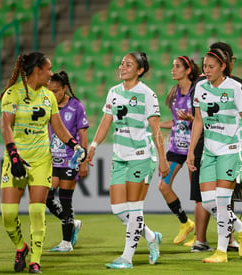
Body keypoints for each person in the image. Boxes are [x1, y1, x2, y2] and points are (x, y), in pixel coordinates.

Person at [0, 52, 87, 273]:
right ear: (37, 71)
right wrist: (14, 156)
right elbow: (6, 127)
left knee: (37, 212)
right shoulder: (13, 94)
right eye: (48, 69)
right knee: (8, 216)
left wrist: (75, 145)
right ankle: (21, 247)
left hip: (41, 162)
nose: (50, 73)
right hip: (16, 161)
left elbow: (58, 127)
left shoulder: (48, 96)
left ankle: (35, 260)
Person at [86, 51, 170, 269]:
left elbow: (155, 130)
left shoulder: (147, 94)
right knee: (118, 210)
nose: (122, 67)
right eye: (122, 63)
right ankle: (152, 237)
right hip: (120, 156)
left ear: (140, 70)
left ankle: (127, 258)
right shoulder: (113, 92)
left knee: (134, 208)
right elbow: (105, 121)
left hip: (141, 157)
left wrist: (162, 158)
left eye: (128, 64)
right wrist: (93, 145)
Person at [186, 48, 242, 263]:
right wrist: (192, 151)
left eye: (211, 67)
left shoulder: (235, 87)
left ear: (223, 67)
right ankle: (241, 227)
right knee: (208, 203)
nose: (207, 70)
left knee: (222, 202)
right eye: (204, 66)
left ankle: (221, 251)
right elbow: (198, 121)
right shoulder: (200, 87)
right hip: (209, 151)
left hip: (231, 150)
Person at [159, 55, 201, 245]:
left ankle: (199, 236)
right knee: (163, 186)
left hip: (194, 147)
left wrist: (192, 120)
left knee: (197, 194)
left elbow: (202, 122)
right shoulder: (174, 93)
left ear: (188, 70)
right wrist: (156, 124)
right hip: (176, 147)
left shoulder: (197, 91)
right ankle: (185, 222)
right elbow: (176, 122)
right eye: (172, 66)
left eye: (177, 66)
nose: (173, 70)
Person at [46, 71, 89, 252]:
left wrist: (84, 161)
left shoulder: (76, 106)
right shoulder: (48, 105)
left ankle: (66, 243)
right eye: (50, 91)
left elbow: (82, 134)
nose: (53, 95)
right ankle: (73, 223)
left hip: (70, 161)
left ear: (64, 88)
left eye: (56, 91)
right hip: (51, 160)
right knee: (47, 198)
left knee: (65, 200)